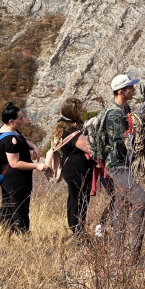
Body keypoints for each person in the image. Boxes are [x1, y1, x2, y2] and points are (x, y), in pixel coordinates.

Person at [103, 73, 145, 253]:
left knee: (122, 206)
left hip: (123, 166)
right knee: (140, 199)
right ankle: (134, 251)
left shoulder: (125, 109)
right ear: (121, 91)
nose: (134, 90)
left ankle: (119, 253)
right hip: (117, 166)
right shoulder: (114, 114)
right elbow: (122, 141)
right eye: (131, 87)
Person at [0, 102, 44, 233]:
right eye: (20, 119)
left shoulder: (5, 130)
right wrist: (37, 166)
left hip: (8, 178)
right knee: (19, 207)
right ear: (11, 121)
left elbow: (21, 139)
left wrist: (33, 146)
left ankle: (4, 232)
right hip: (16, 178)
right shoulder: (11, 140)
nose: (23, 120)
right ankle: (22, 234)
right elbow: (15, 163)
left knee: (8, 204)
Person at [48, 98, 92, 234]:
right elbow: (90, 149)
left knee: (74, 198)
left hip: (71, 168)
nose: (81, 112)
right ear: (72, 112)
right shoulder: (73, 131)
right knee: (80, 200)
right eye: (78, 110)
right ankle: (78, 231)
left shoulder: (62, 126)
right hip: (77, 169)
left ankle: (75, 229)